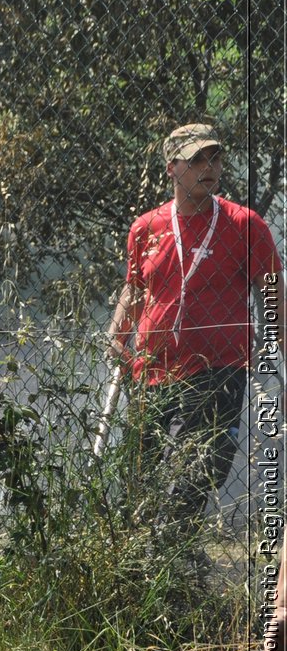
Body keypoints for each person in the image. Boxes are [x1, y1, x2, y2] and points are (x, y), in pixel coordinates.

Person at [107, 123, 282, 534]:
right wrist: (116, 337)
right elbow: (134, 289)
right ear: (172, 168)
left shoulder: (244, 225)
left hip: (218, 366)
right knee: (140, 469)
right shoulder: (146, 228)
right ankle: (140, 552)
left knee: (202, 465)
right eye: (197, 159)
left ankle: (169, 547)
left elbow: (274, 294)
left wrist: (278, 352)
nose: (210, 166)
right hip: (152, 369)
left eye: (215, 157)